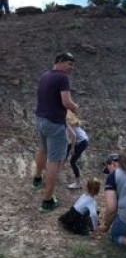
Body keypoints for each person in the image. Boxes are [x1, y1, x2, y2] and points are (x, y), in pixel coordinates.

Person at [33, 52, 79, 212]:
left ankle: (37, 179)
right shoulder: (62, 77)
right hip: (54, 123)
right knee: (55, 161)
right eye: (69, 64)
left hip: (40, 119)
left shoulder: (45, 75)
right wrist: (75, 107)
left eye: (73, 65)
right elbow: (66, 101)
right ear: (59, 61)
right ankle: (47, 201)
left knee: (43, 150)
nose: (71, 67)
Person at [65, 111, 89, 189]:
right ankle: (59, 167)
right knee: (66, 149)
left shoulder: (67, 123)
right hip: (83, 141)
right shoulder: (73, 123)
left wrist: (72, 149)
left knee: (72, 162)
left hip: (81, 142)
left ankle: (78, 183)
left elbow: (74, 136)